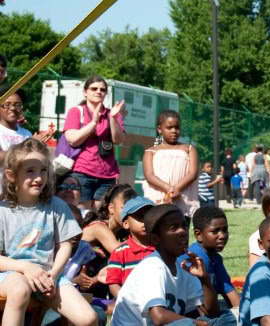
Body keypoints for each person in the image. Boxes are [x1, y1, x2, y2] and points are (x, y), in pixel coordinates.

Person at [0, 138, 98, 326]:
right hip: (11, 274)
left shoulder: (57, 205)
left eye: (43, 170)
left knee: (89, 318)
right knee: (19, 290)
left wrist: (54, 274)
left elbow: (65, 245)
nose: (39, 177)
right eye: (30, 171)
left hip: (48, 276)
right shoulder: (2, 210)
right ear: (11, 175)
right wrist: (25, 268)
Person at [111, 203, 234, 326]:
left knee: (228, 317)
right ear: (155, 239)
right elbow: (159, 317)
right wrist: (201, 324)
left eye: (184, 226)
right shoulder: (152, 267)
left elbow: (211, 313)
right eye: (173, 228)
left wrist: (205, 279)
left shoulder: (183, 266)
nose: (183, 232)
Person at [62, 75, 126, 211]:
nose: (98, 92)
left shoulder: (112, 113)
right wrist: (93, 123)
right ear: (85, 92)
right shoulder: (76, 112)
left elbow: (118, 140)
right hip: (81, 173)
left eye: (102, 90)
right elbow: (73, 140)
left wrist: (113, 118)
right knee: (81, 214)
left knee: (100, 216)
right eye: (94, 88)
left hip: (108, 176)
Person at [177, 205, 241, 312]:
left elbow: (231, 294)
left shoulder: (216, 259)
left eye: (225, 230)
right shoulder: (192, 260)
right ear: (198, 235)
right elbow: (202, 310)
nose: (222, 235)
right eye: (215, 231)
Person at [141, 110, 199, 217]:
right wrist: (169, 189)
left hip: (182, 199)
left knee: (181, 230)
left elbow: (192, 174)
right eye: (169, 127)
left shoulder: (189, 149)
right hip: (158, 199)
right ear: (159, 129)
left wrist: (176, 190)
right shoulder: (150, 152)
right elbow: (149, 176)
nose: (174, 131)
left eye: (177, 127)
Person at [105, 196, 156, 296]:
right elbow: (113, 284)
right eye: (140, 217)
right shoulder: (120, 252)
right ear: (126, 224)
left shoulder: (162, 248)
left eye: (150, 216)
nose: (146, 220)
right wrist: (126, 302)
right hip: (131, 305)